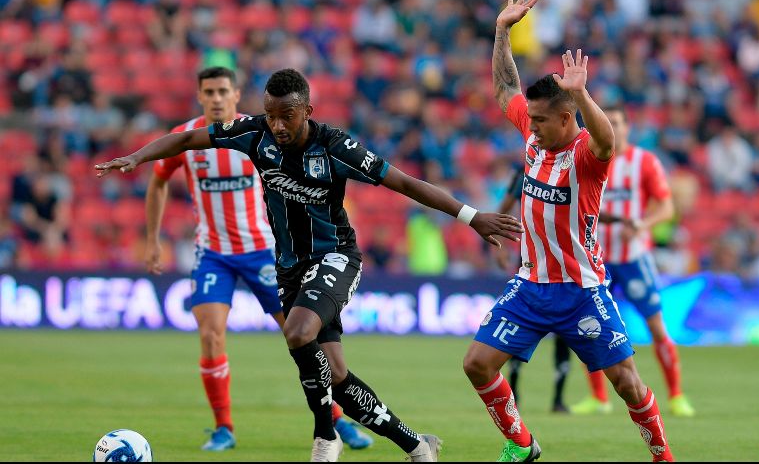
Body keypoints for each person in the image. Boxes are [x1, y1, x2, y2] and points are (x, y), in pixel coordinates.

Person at [96, 67, 524, 462]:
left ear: (307, 111)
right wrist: (138, 157)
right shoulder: (253, 133)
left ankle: (325, 434)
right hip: (289, 268)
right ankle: (416, 445)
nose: (277, 126)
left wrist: (472, 216)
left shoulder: (336, 146)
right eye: (270, 116)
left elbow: (406, 183)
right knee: (336, 375)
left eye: (287, 116)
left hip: (336, 256)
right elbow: (188, 140)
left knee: (298, 331)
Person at [462, 0, 675, 462]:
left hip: (582, 289)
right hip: (531, 285)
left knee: (626, 382)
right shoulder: (535, 134)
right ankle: (521, 444)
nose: (530, 127)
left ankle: (662, 454)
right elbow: (504, 90)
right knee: (477, 364)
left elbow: (607, 139)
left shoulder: (584, 155)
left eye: (540, 121)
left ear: (565, 118)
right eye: (530, 121)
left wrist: (581, 93)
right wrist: (502, 31)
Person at [143, 66, 373, 452]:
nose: (216, 98)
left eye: (222, 91)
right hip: (213, 252)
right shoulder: (189, 139)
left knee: (303, 338)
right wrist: (152, 237)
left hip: (264, 251)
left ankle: (336, 422)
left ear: (236, 95)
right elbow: (159, 180)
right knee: (210, 333)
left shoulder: (257, 137)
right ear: (200, 96)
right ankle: (224, 428)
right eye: (209, 92)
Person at [570, 105, 695, 417]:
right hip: (595, 259)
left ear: (627, 128)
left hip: (634, 257)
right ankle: (598, 398)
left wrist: (642, 225)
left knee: (656, 327)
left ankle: (677, 395)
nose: (611, 127)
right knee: (588, 328)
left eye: (616, 122)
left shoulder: (644, 162)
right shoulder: (586, 157)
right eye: (605, 122)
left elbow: (666, 208)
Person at [494, 169, 572, 414]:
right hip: (531, 268)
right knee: (519, 331)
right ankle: (513, 396)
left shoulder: (577, 169)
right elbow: (503, 208)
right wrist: (498, 244)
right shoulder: (526, 172)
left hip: (567, 271)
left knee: (564, 336)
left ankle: (558, 399)